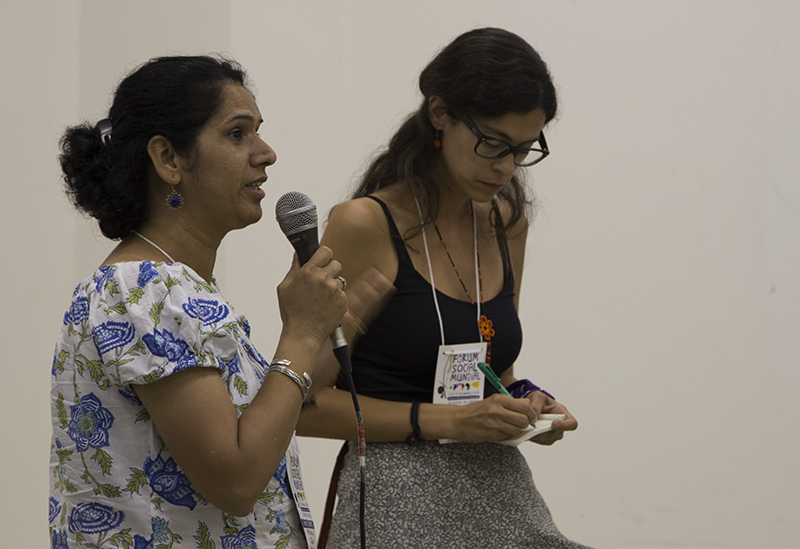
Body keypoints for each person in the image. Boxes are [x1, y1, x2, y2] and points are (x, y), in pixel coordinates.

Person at [297, 28, 593, 548]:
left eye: (523, 150)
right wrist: (451, 421)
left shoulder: (506, 223)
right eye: (493, 143)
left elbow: (492, 373)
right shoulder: (365, 223)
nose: (506, 167)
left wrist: (524, 406)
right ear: (439, 113)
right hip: (396, 502)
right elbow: (302, 406)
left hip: (497, 492)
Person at [50, 55, 348, 549]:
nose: (266, 154)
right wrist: (301, 333)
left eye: (258, 132)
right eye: (237, 134)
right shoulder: (142, 290)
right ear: (168, 159)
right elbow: (235, 481)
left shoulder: (172, 287)